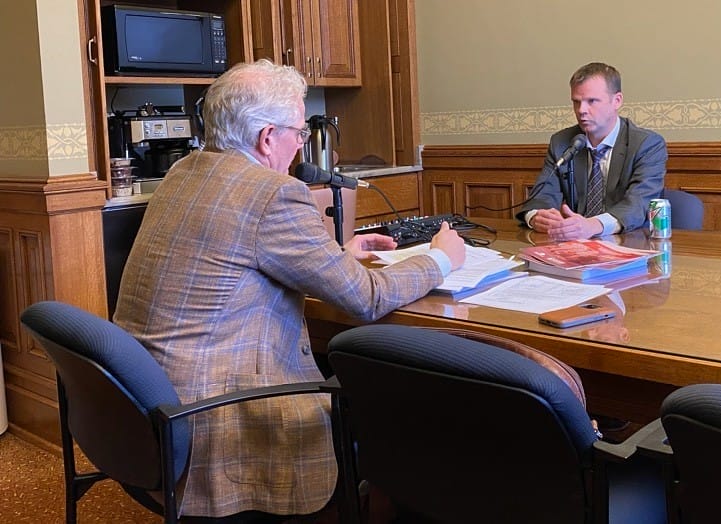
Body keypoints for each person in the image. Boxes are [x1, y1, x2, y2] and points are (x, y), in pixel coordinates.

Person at [113, 59, 465, 521]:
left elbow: (239, 251)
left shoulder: (186, 172)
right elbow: (367, 299)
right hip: (216, 419)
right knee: (400, 404)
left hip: (148, 410)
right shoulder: (273, 193)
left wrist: (337, 250)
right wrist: (441, 257)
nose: (301, 146)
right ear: (266, 138)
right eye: (298, 134)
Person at [517, 62, 667, 241]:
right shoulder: (562, 142)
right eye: (576, 102)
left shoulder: (647, 144)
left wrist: (593, 225)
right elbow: (543, 195)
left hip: (629, 244)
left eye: (592, 101)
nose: (581, 110)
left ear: (617, 101)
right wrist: (536, 217)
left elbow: (638, 204)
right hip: (574, 246)